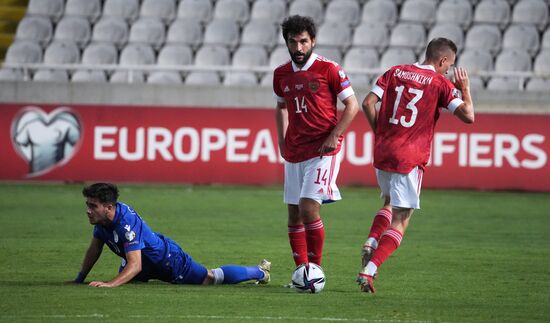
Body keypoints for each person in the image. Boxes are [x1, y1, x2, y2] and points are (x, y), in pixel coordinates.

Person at [357, 38, 475, 293]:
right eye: (449, 65)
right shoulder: (440, 83)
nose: (448, 70)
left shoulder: (394, 71)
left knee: (388, 201)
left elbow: (367, 103)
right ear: (443, 60)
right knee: (402, 218)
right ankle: (370, 269)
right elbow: (468, 116)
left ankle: (371, 239)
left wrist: (381, 134)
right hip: (408, 156)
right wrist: (464, 88)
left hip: (383, 151)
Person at [273, 15, 359, 270]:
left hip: (322, 149)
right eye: (293, 42)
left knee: (308, 208)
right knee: (293, 214)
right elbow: (280, 107)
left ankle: (315, 269)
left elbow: (352, 105)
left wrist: (335, 136)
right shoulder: (280, 74)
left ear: (313, 41)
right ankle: (301, 271)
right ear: (286, 42)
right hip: (295, 151)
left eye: (303, 42)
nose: (298, 48)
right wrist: (281, 140)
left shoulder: (329, 69)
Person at [73, 182, 271, 287]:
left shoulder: (125, 224)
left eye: (93, 206)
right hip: (145, 262)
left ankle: (259, 272)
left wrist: (109, 285)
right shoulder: (103, 221)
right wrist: (79, 278)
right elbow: (95, 248)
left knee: (210, 279)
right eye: (87, 205)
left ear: (108, 207)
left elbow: (136, 264)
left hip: (168, 261)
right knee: (128, 276)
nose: (88, 210)